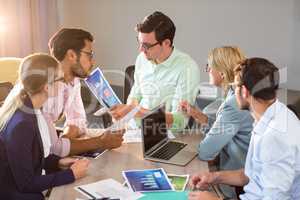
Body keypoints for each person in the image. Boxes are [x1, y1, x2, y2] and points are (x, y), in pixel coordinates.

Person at [189, 57, 300, 200]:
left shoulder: (274, 136)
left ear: (244, 92)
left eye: (235, 87)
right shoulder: (271, 115)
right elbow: (250, 174)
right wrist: (213, 177)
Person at [0, 54, 90, 200]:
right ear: (47, 87)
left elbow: (31, 158)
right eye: (60, 80)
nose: (64, 84)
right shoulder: (22, 124)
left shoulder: (34, 109)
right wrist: (70, 175)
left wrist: (58, 162)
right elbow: (26, 183)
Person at [179, 47, 253, 198]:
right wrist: (199, 116)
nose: (207, 70)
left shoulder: (233, 103)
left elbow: (206, 152)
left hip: (236, 185)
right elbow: (226, 128)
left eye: (209, 66)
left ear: (222, 73)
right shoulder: (234, 95)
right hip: (238, 173)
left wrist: (200, 143)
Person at [110, 11, 201, 132]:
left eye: (146, 45)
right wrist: (127, 111)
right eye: (139, 42)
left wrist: (136, 112)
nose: (141, 50)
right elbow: (135, 96)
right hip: (134, 131)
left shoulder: (187, 68)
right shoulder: (142, 59)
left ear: (166, 43)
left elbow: (180, 121)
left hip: (164, 136)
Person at [44, 28, 124, 157]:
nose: (93, 62)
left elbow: (77, 120)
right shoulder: (46, 90)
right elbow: (54, 150)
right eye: (89, 55)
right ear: (71, 55)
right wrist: (100, 142)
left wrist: (66, 139)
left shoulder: (73, 81)